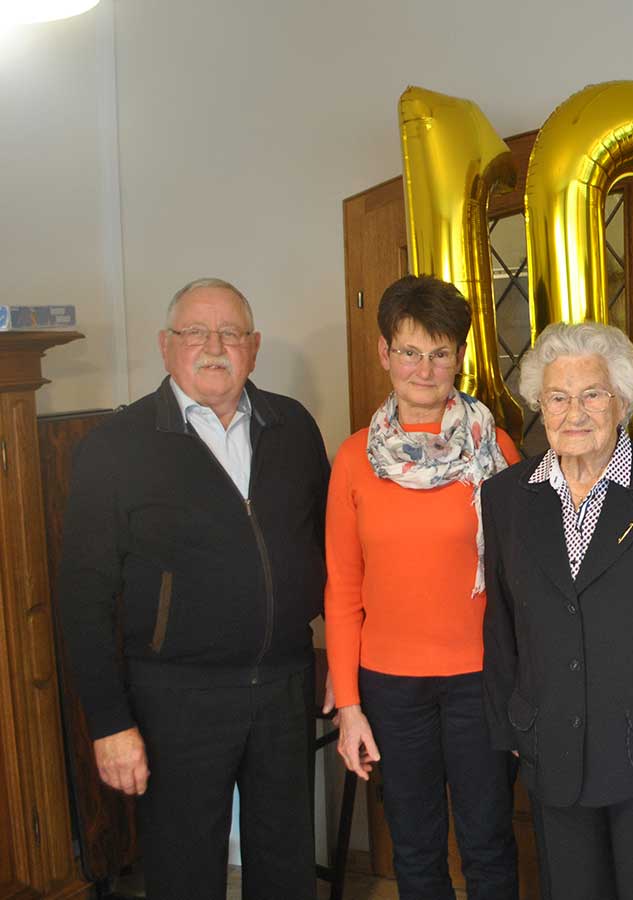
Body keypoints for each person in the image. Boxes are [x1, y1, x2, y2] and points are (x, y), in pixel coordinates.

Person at [57, 277, 330, 900]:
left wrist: (337, 657)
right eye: (196, 332)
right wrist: (108, 723)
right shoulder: (115, 447)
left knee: (287, 871)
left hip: (285, 685)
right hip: (175, 698)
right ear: (166, 345)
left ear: (253, 347)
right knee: (185, 874)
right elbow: (83, 597)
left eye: (231, 333)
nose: (215, 346)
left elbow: (331, 549)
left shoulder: (293, 426)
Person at [481, 322, 633, 900]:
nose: (574, 412)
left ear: (623, 401)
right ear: (540, 404)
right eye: (557, 397)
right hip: (552, 747)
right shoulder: (507, 496)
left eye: (592, 394)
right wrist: (514, 722)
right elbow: (502, 621)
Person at [324, 275, 520, 900]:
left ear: (459, 357)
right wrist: (350, 706)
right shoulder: (354, 459)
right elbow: (341, 587)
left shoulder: (498, 450)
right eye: (409, 351)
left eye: (440, 352)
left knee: (489, 841)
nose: (424, 368)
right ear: (384, 353)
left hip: (480, 680)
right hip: (390, 687)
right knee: (414, 845)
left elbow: (523, 583)